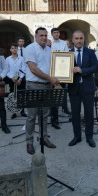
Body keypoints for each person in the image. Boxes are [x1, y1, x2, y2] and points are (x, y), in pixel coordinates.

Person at [24, 27, 60, 155]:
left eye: (45, 35)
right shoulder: (30, 49)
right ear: (36, 36)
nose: (44, 38)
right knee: (32, 116)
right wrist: (50, 78)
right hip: (33, 85)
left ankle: (44, 138)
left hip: (47, 86)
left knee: (45, 115)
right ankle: (29, 141)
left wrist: (60, 76)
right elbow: (33, 69)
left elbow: (53, 67)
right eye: (41, 35)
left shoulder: (49, 49)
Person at [68, 30, 98, 148]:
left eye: (81, 38)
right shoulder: (67, 54)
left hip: (88, 88)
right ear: (72, 40)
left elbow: (95, 67)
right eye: (76, 38)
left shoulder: (90, 52)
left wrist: (82, 70)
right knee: (75, 114)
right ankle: (77, 137)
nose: (79, 40)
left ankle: (89, 137)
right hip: (74, 89)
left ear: (84, 39)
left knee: (89, 114)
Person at [50, 28, 71, 129]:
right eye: (54, 33)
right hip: (52, 72)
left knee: (61, 93)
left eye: (58, 32)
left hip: (61, 71)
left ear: (59, 34)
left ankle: (63, 109)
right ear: (52, 34)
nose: (56, 34)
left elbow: (67, 56)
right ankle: (54, 119)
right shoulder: (49, 43)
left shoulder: (63, 43)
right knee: (52, 96)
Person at [4, 43, 26, 119]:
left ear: (17, 49)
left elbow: (24, 69)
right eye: (12, 48)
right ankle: (14, 112)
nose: (14, 50)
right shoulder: (7, 59)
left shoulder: (22, 58)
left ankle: (22, 111)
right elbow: (6, 70)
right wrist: (12, 78)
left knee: (21, 95)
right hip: (12, 80)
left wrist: (20, 78)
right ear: (10, 50)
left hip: (21, 79)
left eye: (15, 48)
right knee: (13, 95)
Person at [16, 37, 27, 117]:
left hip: (25, 73)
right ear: (18, 42)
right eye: (20, 41)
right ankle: (14, 111)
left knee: (23, 93)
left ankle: (22, 111)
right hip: (16, 74)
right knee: (14, 93)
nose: (21, 42)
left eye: (22, 41)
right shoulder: (16, 50)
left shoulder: (26, 50)